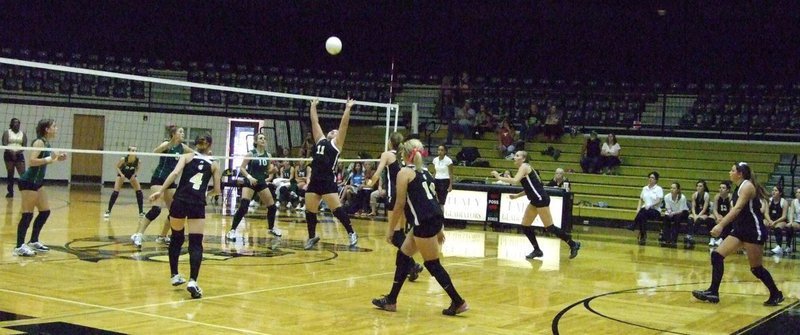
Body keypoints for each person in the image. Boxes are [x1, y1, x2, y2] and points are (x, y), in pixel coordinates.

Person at [371, 139, 468, 315]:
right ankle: (391, 300)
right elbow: (433, 200)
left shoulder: (404, 173)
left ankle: (458, 301)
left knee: (432, 264)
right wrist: (439, 228)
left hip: (424, 222)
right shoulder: (424, 172)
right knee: (403, 255)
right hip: (431, 219)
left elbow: (399, 204)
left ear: (403, 154)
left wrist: (391, 230)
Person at [693, 163, 784, 306]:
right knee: (717, 255)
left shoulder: (747, 186)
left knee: (756, 268)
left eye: (732, 170)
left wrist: (720, 226)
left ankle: (776, 294)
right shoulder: (738, 188)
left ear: (740, 173)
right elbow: (735, 212)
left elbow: (737, 209)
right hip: (740, 230)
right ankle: (713, 292)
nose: (730, 172)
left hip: (753, 231)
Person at [150, 134, 221, 299]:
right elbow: (217, 190)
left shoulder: (187, 157)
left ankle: (174, 275)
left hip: (180, 201)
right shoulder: (215, 164)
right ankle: (192, 281)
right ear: (210, 145)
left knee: (176, 238)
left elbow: (174, 174)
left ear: (195, 145)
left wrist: (160, 191)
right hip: (197, 203)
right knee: (196, 243)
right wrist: (206, 193)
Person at [491, 151, 581, 259]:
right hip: (535, 200)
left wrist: (498, 177)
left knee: (550, 227)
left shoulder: (524, 166)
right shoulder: (526, 169)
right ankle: (537, 250)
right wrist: (516, 196)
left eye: (517, 155)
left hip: (540, 199)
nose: (514, 157)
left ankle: (572, 243)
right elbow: (529, 188)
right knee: (525, 225)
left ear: (523, 159)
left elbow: (514, 181)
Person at [367, 132, 425, 281]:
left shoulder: (387, 155)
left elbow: (378, 172)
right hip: (406, 196)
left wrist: (369, 183)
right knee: (400, 233)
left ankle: (411, 264)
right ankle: (408, 266)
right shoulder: (403, 155)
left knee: (394, 235)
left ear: (390, 142)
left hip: (394, 196)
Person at [304, 98, 359, 250]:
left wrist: (348, 108)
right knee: (310, 211)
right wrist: (313, 106)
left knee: (337, 210)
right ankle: (311, 237)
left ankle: (351, 233)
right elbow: (315, 122)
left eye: (335, 131)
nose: (333, 131)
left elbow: (344, 126)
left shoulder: (336, 144)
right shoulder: (320, 140)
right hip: (315, 179)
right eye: (332, 130)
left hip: (327, 180)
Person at [131, 126, 193, 248]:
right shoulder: (166, 144)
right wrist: (168, 144)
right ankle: (138, 234)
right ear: (174, 134)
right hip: (159, 178)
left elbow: (194, 154)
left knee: (175, 211)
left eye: (183, 132)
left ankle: (162, 236)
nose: (183, 134)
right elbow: (155, 152)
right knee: (156, 210)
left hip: (171, 181)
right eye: (180, 132)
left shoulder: (183, 148)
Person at [13, 119, 67, 256]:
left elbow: (43, 162)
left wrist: (57, 159)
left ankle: (33, 241)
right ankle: (19, 246)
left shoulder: (47, 143)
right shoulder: (39, 142)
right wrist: (50, 159)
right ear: (47, 129)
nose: (56, 128)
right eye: (54, 126)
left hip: (38, 182)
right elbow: (32, 161)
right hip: (28, 181)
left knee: (45, 212)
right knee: (27, 214)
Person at [226, 133, 281, 241]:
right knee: (244, 207)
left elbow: (267, 170)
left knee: (272, 207)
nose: (263, 140)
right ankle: (232, 230)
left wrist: (273, 170)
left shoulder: (268, 155)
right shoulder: (251, 153)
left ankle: (271, 228)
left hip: (261, 182)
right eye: (261, 138)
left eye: (264, 138)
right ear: (255, 141)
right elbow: (242, 168)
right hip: (250, 182)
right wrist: (249, 177)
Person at [105, 146, 144, 218]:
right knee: (115, 192)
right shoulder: (123, 159)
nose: (134, 152)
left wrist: (134, 175)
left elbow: (137, 168)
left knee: (139, 191)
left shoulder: (138, 160)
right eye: (132, 150)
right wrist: (121, 175)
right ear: (129, 152)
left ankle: (141, 212)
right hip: (122, 173)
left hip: (131, 174)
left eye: (135, 150)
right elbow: (117, 166)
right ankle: (108, 211)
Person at [627, 171, 663, 245]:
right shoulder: (644, 188)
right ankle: (643, 234)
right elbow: (640, 199)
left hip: (655, 210)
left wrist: (650, 205)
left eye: (652, 178)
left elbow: (659, 200)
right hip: (644, 210)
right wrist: (638, 208)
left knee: (643, 212)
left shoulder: (658, 189)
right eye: (649, 177)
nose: (650, 179)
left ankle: (634, 225)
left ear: (656, 180)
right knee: (642, 215)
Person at [3, 118, 27, 198]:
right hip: (8, 154)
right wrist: (12, 152)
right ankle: (10, 192)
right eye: (15, 123)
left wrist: (16, 153)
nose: (16, 124)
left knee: (23, 174)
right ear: (11, 124)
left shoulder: (23, 134)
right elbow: (4, 144)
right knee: (10, 174)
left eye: (18, 123)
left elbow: (24, 146)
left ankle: (25, 191)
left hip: (19, 154)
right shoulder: (7, 133)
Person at [661, 182, 689, 248]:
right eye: (671, 188)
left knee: (677, 219)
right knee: (666, 218)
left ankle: (674, 239)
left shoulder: (682, 197)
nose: (672, 189)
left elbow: (681, 210)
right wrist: (670, 212)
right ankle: (666, 239)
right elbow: (668, 207)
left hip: (682, 212)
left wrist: (673, 213)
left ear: (678, 190)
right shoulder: (667, 197)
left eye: (674, 188)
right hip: (672, 212)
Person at [688, 180, 713, 249]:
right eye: (697, 186)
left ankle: (692, 235)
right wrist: (694, 215)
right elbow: (693, 207)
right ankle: (689, 235)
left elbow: (704, 209)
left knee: (698, 220)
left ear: (704, 187)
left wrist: (698, 216)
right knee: (690, 219)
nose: (698, 188)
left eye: (700, 186)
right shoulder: (694, 195)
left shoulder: (706, 195)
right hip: (695, 211)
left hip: (704, 212)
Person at [764, 186, 788, 255]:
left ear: (780, 193)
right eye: (773, 190)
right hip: (770, 220)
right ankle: (759, 243)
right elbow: (766, 213)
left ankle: (779, 246)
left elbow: (784, 216)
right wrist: (770, 221)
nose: (773, 192)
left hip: (780, 221)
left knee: (778, 227)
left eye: (776, 190)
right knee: (761, 223)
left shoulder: (784, 202)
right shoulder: (769, 201)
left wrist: (775, 222)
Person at [709, 181, 733, 247]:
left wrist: (724, 218)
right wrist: (717, 216)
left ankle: (722, 238)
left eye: (723, 188)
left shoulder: (731, 198)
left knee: (729, 221)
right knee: (710, 219)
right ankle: (712, 238)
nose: (721, 189)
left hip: (727, 215)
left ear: (728, 190)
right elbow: (714, 209)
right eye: (720, 188)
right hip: (719, 215)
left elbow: (731, 211)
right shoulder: (717, 197)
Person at [430, 145, 453, 209]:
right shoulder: (435, 160)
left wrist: (450, 185)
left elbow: (451, 173)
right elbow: (435, 172)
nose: (440, 152)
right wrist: (431, 180)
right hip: (436, 180)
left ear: (445, 151)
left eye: (442, 150)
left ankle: (442, 215)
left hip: (445, 181)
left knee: (442, 201)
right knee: (435, 199)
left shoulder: (449, 161)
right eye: (439, 150)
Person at [786, 187, 800, 253]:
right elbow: (791, 213)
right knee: (789, 226)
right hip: (797, 221)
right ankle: (788, 246)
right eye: (797, 192)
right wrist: (791, 222)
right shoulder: (794, 201)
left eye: (799, 192)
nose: (797, 194)